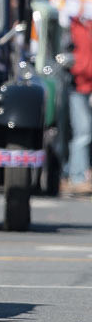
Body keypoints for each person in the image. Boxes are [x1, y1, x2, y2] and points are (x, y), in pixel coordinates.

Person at [64, 13, 92, 192]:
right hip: (77, 85)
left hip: (87, 84)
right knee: (82, 131)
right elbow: (67, 55)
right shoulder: (71, 27)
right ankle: (76, 176)